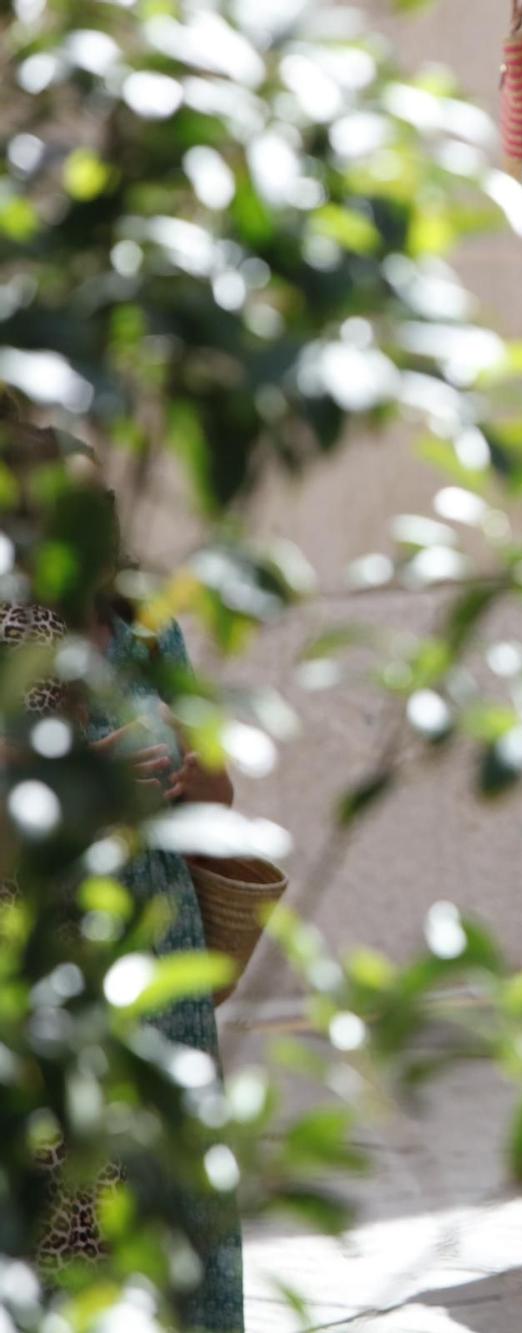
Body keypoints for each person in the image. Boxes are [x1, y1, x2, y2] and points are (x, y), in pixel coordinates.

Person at [1, 418, 243, 1330]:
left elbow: (220, 786)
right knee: (78, 1225)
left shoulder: (146, 626)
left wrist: (194, 771)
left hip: (165, 945)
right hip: (55, 958)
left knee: (182, 1199)